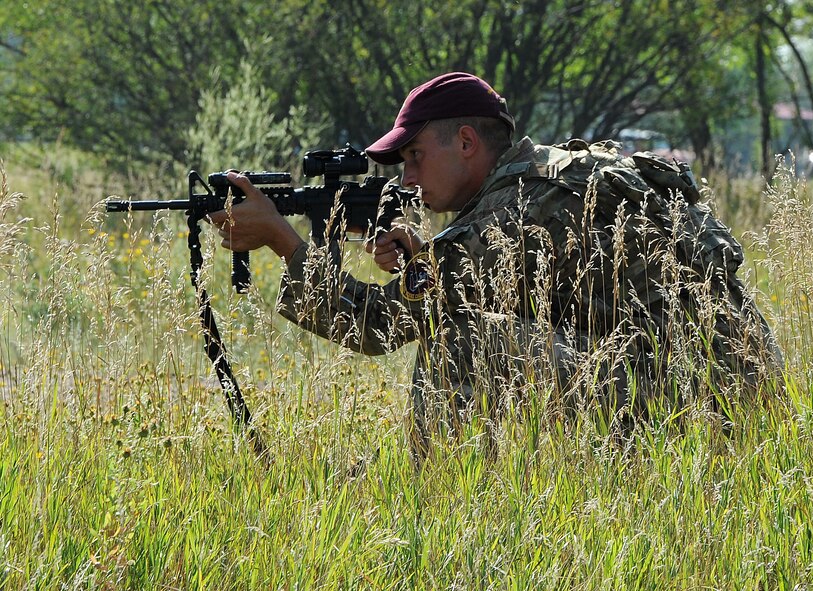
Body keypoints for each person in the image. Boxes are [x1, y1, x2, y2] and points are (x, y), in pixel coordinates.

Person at [209, 72, 782, 458]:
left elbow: (378, 326)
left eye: (413, 157)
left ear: (465, 142)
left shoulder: (517, 209)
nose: (405, 178)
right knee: (481, 332)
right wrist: (420, 261)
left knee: (460, 344)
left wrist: (283, 242)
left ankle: (440, 509)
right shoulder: (544, 179)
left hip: (707, 402)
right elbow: (527, 292)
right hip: (722, 383)